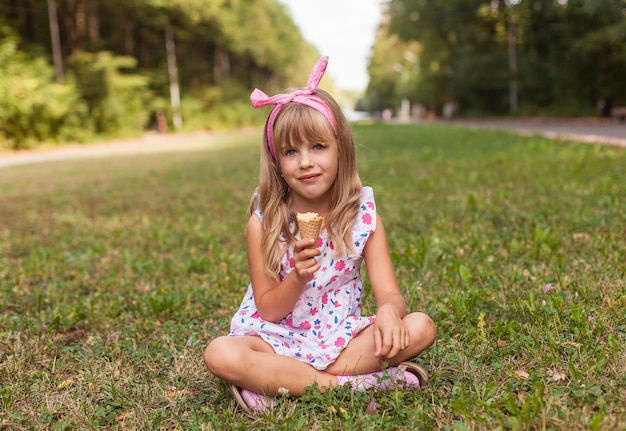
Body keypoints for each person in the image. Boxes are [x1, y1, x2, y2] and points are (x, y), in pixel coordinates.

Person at [204, 56, 436, 413]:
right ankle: (353, 387)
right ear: (277, 162)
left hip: (339, 342)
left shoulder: (362, 214)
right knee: (220, 353)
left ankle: (277, 384)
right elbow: (267, 309)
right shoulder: (264, 222)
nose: (306, 162)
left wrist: (390, 313)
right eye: (291, 151)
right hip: (273, 339)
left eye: (318, 147)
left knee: (420, 327)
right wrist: (297, 275)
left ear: (341, 147)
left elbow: (389, 292)